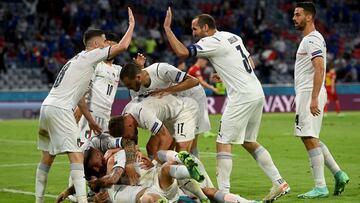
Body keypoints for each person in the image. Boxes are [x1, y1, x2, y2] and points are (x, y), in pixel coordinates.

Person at [162, 7, 289, 202]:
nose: (193, 33)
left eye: (195, 29)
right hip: (256, 92)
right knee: (248, 141)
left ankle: (224, 192)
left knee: (223, 142)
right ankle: (279, 182)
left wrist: (167, 28)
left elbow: (182, 52)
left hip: (241, 97)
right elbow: (250, 64)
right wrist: (225, 73)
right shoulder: (233, 37)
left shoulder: (210, 42)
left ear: (206, 27)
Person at [35, 8, 135, 203]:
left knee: (47, 157)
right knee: (77, 158)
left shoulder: (76, 61)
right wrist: (131, 25)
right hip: (61, 109)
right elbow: (122, 47)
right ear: (96, 44)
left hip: (47, 107)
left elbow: (80, 97)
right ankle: (81, 200)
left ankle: (38, 201)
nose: (107, 44)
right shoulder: (90, 56)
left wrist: (90, 121)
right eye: (105, 41)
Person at [292, 2, 349, 199]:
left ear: (309, 17)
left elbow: (319, 68)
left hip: (310, 92)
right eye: (294, 14)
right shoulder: (310, 39)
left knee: (308, 137)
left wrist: (314, 97)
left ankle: (320, 186)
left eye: (298, 14)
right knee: (311, 137)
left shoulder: (312, 39)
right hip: (307, 92)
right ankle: (338, 174)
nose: (294, 18)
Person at [120, 61, 211, 158]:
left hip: (193, 97)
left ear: (138, 77)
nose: (129, 88)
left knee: (185, 145)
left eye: (129, 84)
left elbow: (194, 81)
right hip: (172, 106)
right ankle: (161, 170)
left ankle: (194, 171)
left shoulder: (160, 70)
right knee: (153, 146)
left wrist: (168, 90)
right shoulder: (134, 91)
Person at [74, 32, 123, 147]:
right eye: (108, 46)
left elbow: (134, 79)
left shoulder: (118, 70)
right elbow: (85, 86)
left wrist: (139, 67)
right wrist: (80, 109)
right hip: (89, 116)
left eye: (113, 47)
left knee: (102, 154)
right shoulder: (97, 64)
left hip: (106, 117)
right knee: (84, 151)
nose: (111, 49)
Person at [113, 94, 199, 157]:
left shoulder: (144, 114)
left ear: (128, 125)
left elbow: (166, 139)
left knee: (182, 150)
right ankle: (158, 175)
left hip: (183, 110)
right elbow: (132, 140)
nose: (129, 138)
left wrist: (155, 162)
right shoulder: (125, 115)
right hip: (167, 115)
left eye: (128, 136)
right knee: (152, 147)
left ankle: (192, 178)